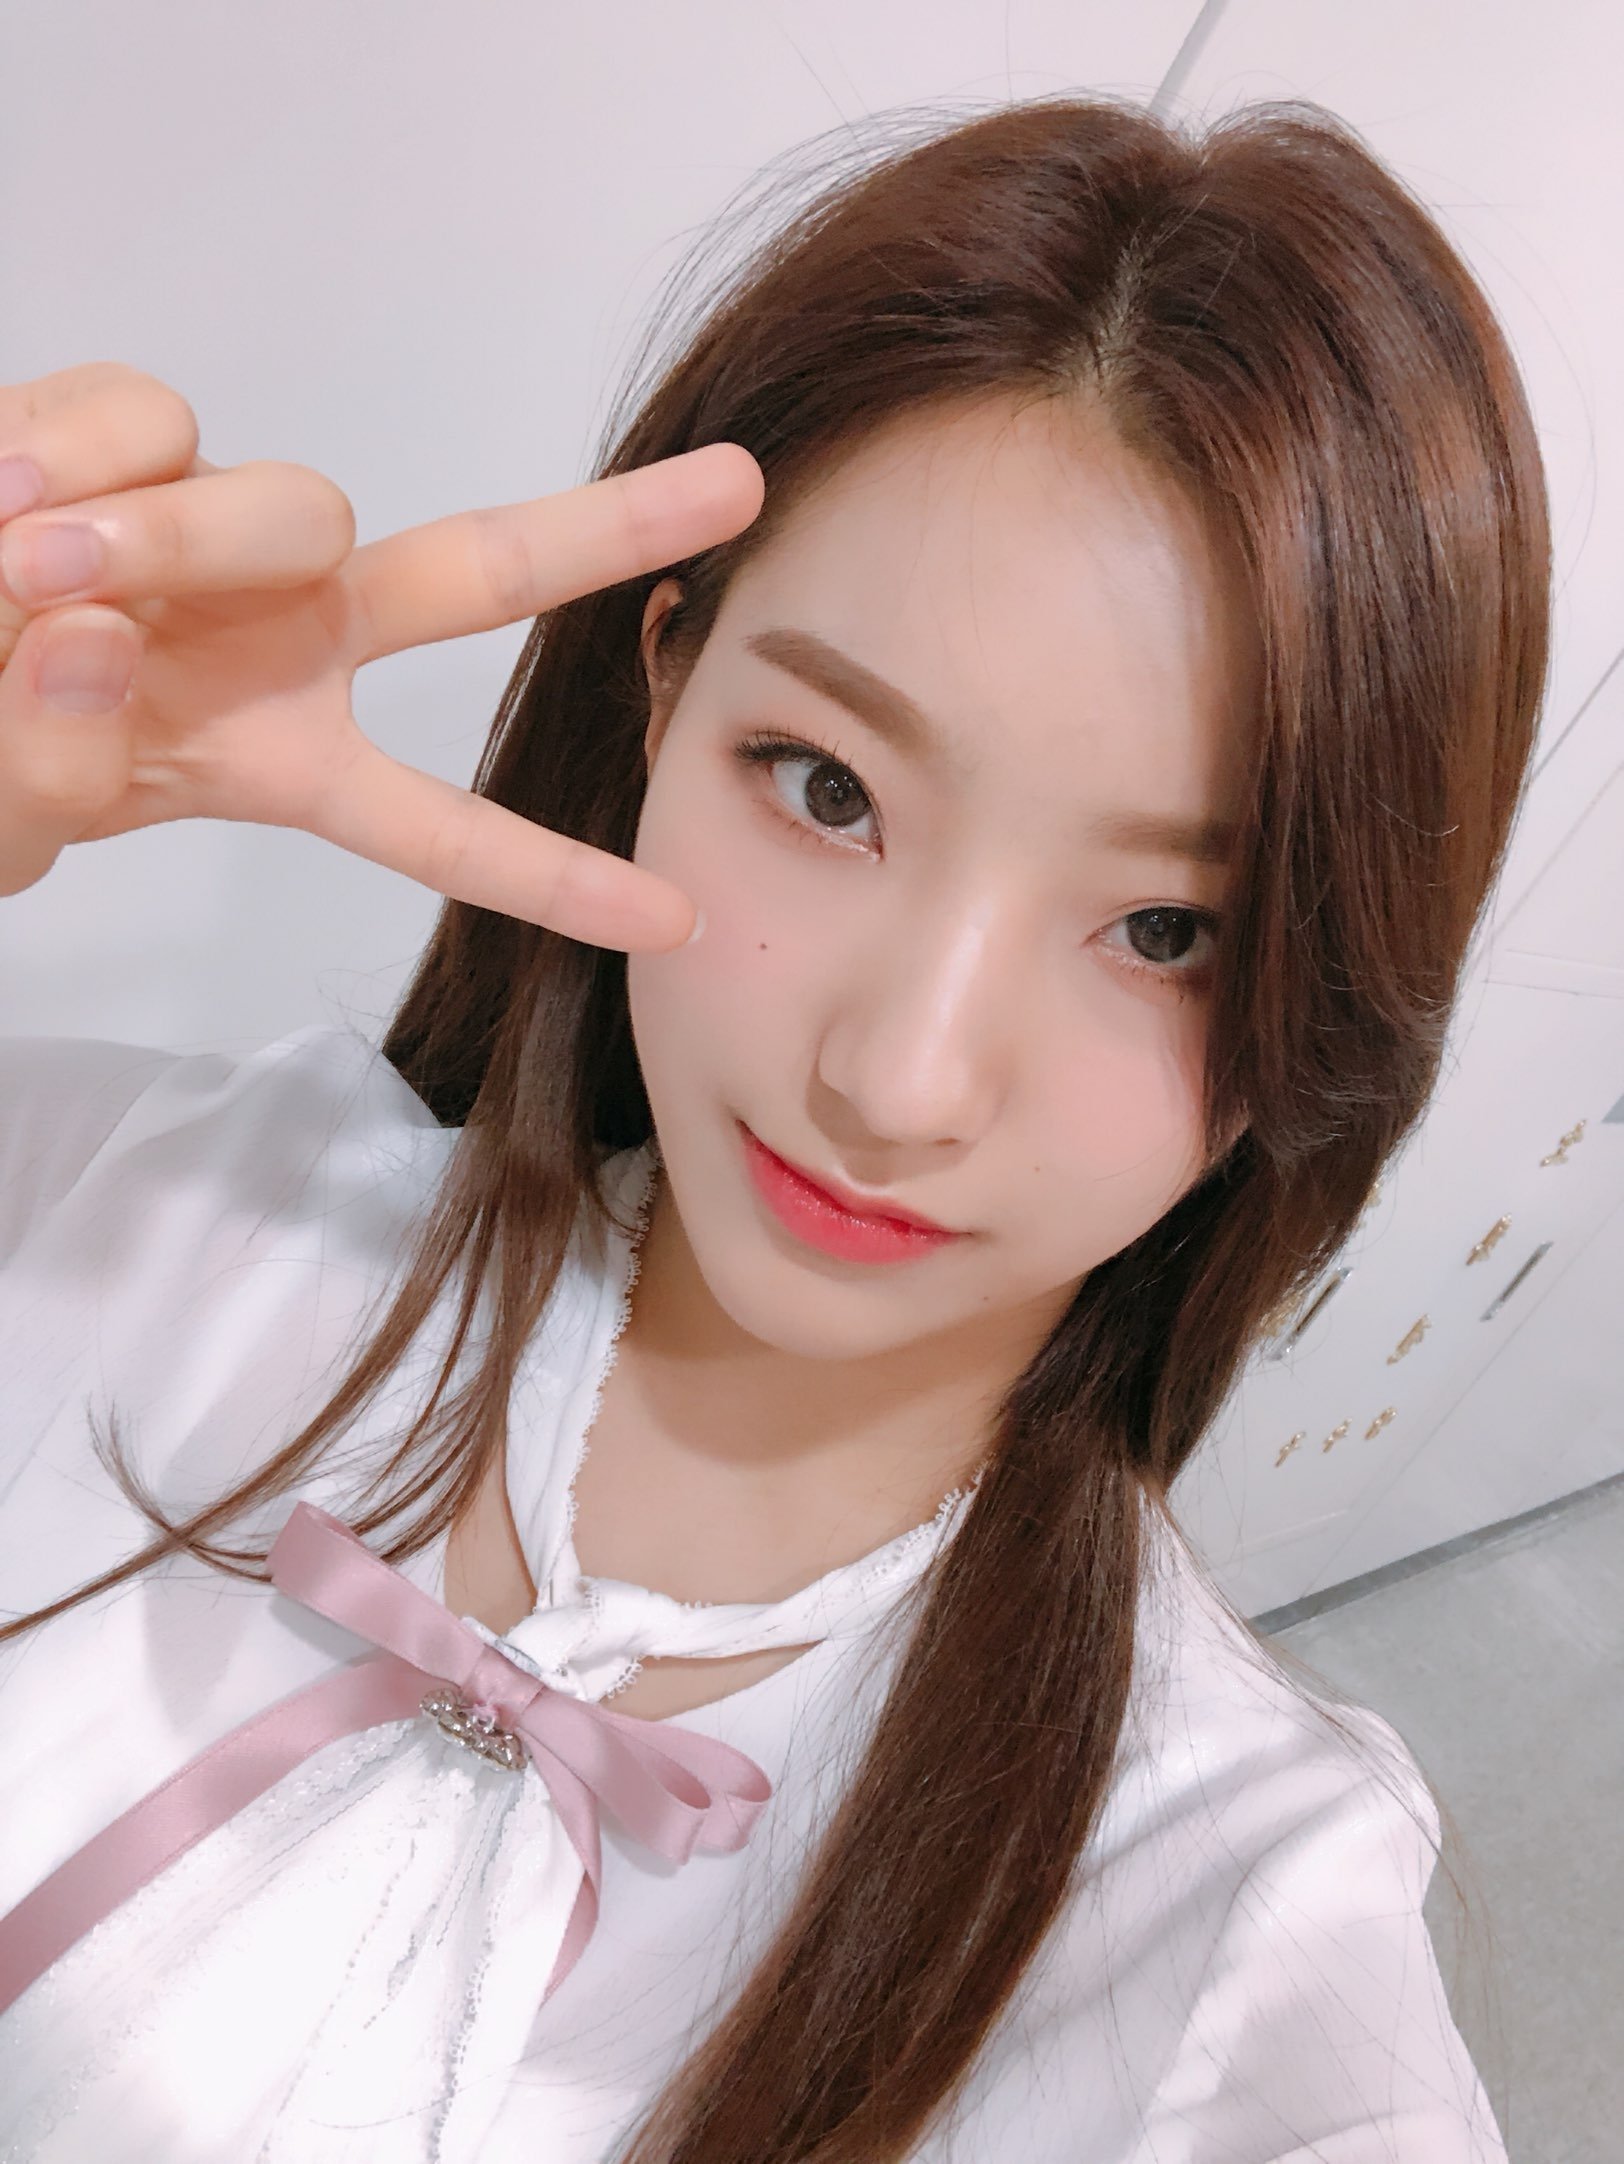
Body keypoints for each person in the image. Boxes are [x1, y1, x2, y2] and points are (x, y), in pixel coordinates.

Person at [0, 91, 1541, 2164]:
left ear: (1320, 1001)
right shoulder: (154, 1213)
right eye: (828, 789)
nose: (900, 1079)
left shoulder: (1219, 1931)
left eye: (1166, 930)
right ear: (666, 680)